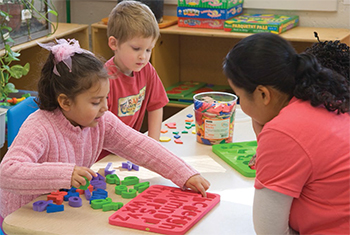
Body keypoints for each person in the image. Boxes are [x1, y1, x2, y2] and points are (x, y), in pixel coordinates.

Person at [0, 39, 210, 225]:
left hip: (62, 211)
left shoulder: (100, 121)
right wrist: (65, 173)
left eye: (105, 98)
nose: (105, 107)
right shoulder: (40, 126)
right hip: (23, 218)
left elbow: (140, 146)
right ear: (65, 102)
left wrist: (184, 173)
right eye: (95, 101)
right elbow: (7, 172)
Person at [223, 33, 350, 234]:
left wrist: (269, 134)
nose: (241, 105)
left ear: (263, 94)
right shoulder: (325, 99)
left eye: (239, 96)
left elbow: (268, 230)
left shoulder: (283, 131)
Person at [97, 0, 168, 161]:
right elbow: (100, 126)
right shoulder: (104, 78)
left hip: (128, 152)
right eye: (136, 49)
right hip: (103, 155)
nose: (143, 56)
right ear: (114, 43)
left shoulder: (147, 70)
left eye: (148, 49)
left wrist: (153, 144)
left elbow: (156, 106)